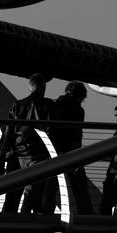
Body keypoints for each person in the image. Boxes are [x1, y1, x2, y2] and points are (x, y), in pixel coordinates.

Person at [0, 72, 54, 213]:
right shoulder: (48, 105)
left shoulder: (17, 105)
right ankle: (28, 217)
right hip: (38, 153)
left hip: (16, 154)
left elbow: (8, 133)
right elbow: (51, 130)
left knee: (12, 194)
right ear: (43, 87)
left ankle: (7, 223)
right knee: (35, 188)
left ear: (30, 87)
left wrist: (0, 157)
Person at [50, 81, 93, 213]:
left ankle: (47, 212)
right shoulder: (78, 109)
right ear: (81, 96)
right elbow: (77, 133)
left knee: (52, 185)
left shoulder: (54, 105)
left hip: (54, 150)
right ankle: (86, 216)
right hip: (70, 151)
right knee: (79, 188)